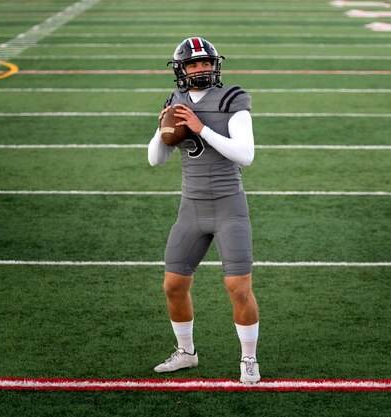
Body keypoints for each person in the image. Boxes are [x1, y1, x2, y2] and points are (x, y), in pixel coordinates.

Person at [147, 37, 260, 384]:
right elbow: (155, 159)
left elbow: (246, 155)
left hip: (229, 206)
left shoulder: (232, 99)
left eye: (206, 63)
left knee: (239, 287)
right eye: (194, 64)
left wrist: (201, 128)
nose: (202, 69)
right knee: (173, 285)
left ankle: (249, 359)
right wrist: (163, 128)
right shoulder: (176, 101)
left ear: (216, 65)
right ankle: (186, 352)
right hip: (191, 207)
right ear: (181, 70)